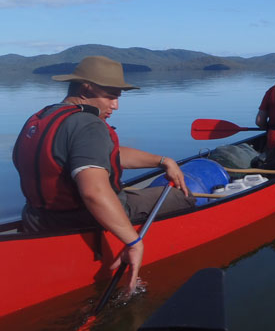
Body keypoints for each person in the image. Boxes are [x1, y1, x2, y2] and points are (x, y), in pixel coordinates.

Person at [13, 56, 195, 292]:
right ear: (85, 88)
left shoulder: (41, 118)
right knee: (185, 196)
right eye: (110, 96)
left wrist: (163, 161)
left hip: (37, 218)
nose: (115, 105)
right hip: (83, 218)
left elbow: (106, 154)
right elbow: (94, 192)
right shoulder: (88, 124)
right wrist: (133, 242)